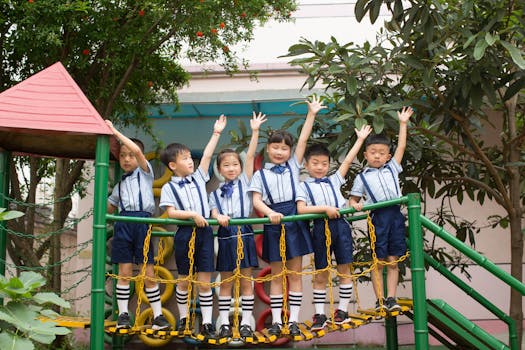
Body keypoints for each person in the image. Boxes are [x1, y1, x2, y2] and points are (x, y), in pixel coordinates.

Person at [248, 95, 325, 337]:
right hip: (274, 221)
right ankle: (278, 321)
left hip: (295, 218)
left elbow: (303, 140)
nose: (280, 152)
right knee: (277, 274)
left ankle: (294, 319)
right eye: (275, 147)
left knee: (295, 273)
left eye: (284, 148)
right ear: (268, 149)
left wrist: (311, 114)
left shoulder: (293, 166)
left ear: (289, 152)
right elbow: (256, 200)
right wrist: (270, 213)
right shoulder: (260, 174)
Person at [297, 125, 372, 331]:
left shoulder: (334, 180)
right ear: (307, 164)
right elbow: (301, 209)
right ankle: (320, 314)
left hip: (341, 227)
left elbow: (347, 161)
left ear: (329, 165)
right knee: (321, 272)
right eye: (315, 163)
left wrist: (360, 139)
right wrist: (325, 209)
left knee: (344, 268)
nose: (320, 167)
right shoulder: (303, 186)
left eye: (324, 163)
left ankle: (342, 311)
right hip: (321, 228)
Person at [159, 115, 227, 338]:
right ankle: (184, 318)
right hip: (185, 233)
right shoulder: (169, 187)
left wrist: (216, 132)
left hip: (205, 233)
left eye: (190, 158)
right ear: (172, 165)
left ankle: (207, 323)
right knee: (184, 279)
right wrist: (193, 215)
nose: (190, 161)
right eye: (185, 159)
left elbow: (207, 155)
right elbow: (171, 212)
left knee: (204, 280)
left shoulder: (199, 178)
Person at [105, 120, 170, 331]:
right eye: (122, 156)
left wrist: (115, 132)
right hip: (124, 224)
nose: (126, 159)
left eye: (130, 155)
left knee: (147, 272)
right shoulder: (120, 185)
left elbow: (136, 150)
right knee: (124, 272)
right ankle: (123, 314)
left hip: (142, 223)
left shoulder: (146, 172)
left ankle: (158, 316)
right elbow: (109, 209)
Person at [348, 106, 414, 312]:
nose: (377, 156)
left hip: (395, 215)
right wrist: (356, 205)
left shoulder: (392, 167)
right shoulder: (362, 177)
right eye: (373, 152)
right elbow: (353, 200)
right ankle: (380, 299)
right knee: (378, 259)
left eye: (382, 153)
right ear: (365, 154)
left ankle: (391, 297)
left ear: (388, 156)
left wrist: (403, 124)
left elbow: (402, 147)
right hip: (378, 218)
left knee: (393, 260)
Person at [210, 112, 267, 340]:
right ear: (220, 169)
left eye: (235, 164)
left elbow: (251, 154)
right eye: (226, 165)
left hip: (244, 231)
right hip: (225, 233)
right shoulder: (215, 191)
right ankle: (224, 322)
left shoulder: (245, 180)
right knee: (225, 279)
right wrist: (218, 216)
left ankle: (245, 322)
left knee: (245, 279)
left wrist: (255, 132)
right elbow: (213, 210)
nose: (232, 168)